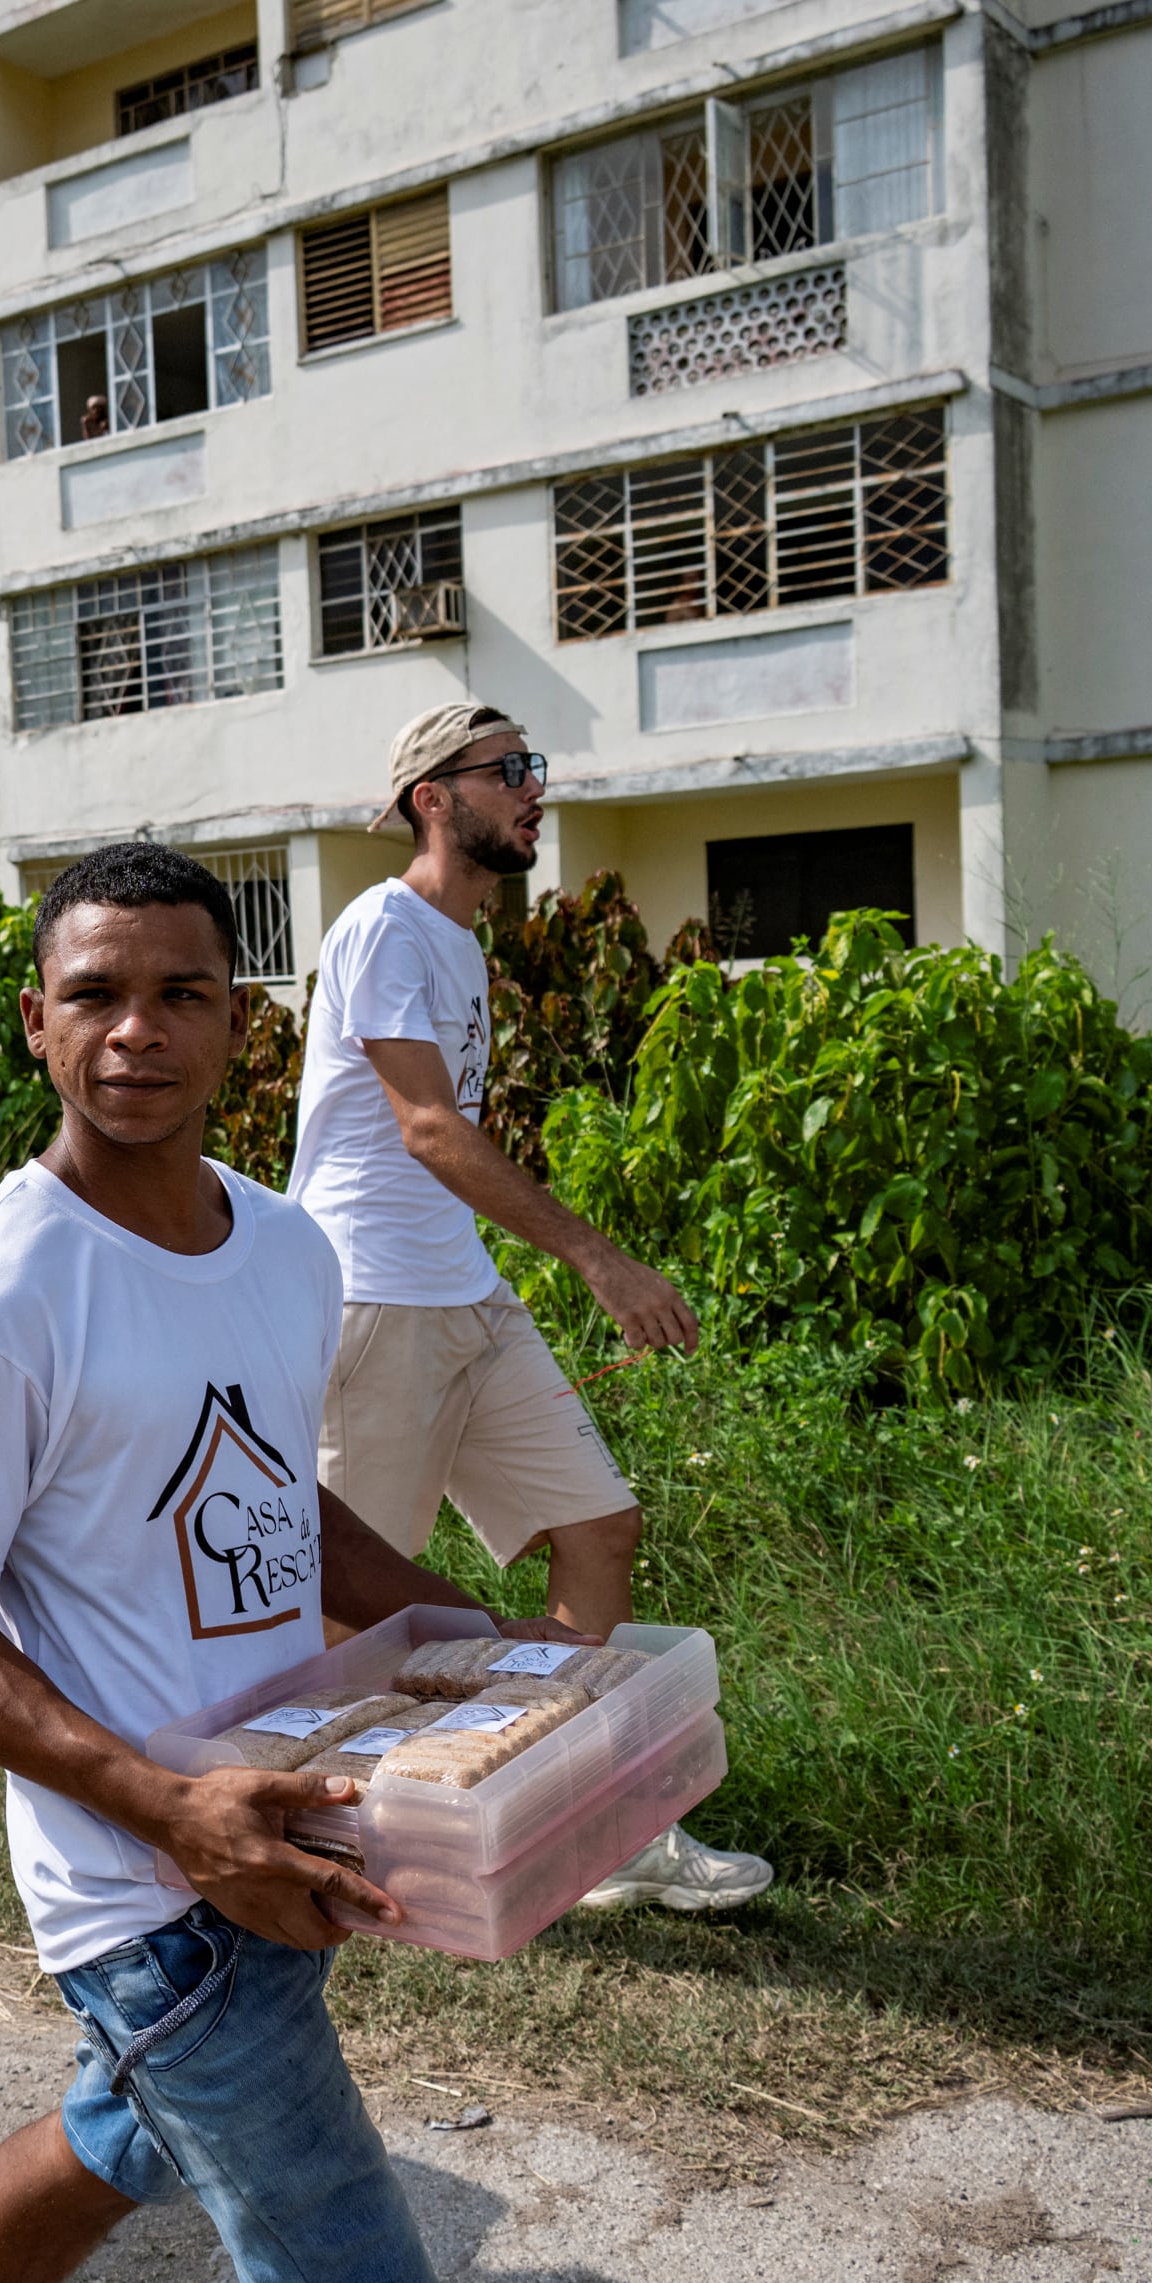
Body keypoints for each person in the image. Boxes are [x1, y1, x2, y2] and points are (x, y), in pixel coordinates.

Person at [0, 842, 591, 2283]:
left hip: (286, 1806)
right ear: (36, 1025)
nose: (139, 1030)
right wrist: (170, 1808)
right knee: (350, 2265)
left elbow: (272, 1497)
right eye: (95, 994)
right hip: (148, 1877)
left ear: (240, 1019)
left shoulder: (292, 1250)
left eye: (183, 991)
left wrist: (472, 1639)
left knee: (125, 2131)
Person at [284, 701, 769, 1915]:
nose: (532, 789)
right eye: (508, 771)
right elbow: (429, 1127)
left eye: (532, 766)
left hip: (465, 1293)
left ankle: (581, 1823)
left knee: (597, 1527)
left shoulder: (457, 940)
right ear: (430, 799)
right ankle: (346, 1853)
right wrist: (603, 1262)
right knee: (359, 1609)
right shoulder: (388, 925)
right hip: (375, 1301)